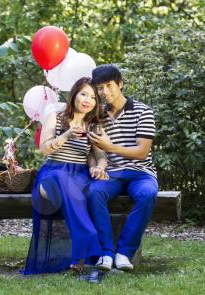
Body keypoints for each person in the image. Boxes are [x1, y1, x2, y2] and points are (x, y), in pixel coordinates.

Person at [23, 77, 108, 274]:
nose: (88, 100)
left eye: (93, 97)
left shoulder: (93, 126)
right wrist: (66, 135)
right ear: (74, 95)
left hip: (79, 174)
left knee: (84, 190)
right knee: (63, 180)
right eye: (84, 94)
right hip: (53, 172)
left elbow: (100, 156)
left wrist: (99, 168)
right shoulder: (56, 116)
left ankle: (79, 253)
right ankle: (87, 238)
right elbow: (44, 150)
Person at [87, 64, 158, 271]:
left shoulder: (143, 111)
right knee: (94, 192)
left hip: (141, 173)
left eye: (109, 85)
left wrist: (110, 146)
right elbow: (97, 151)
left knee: (147, 194)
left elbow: (142, 152)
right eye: (100, 88)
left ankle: (124, 253)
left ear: (120, 84)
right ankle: (106, 254)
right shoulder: (97, 117)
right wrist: (99, 165)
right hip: (112, 174)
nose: (104, 92)